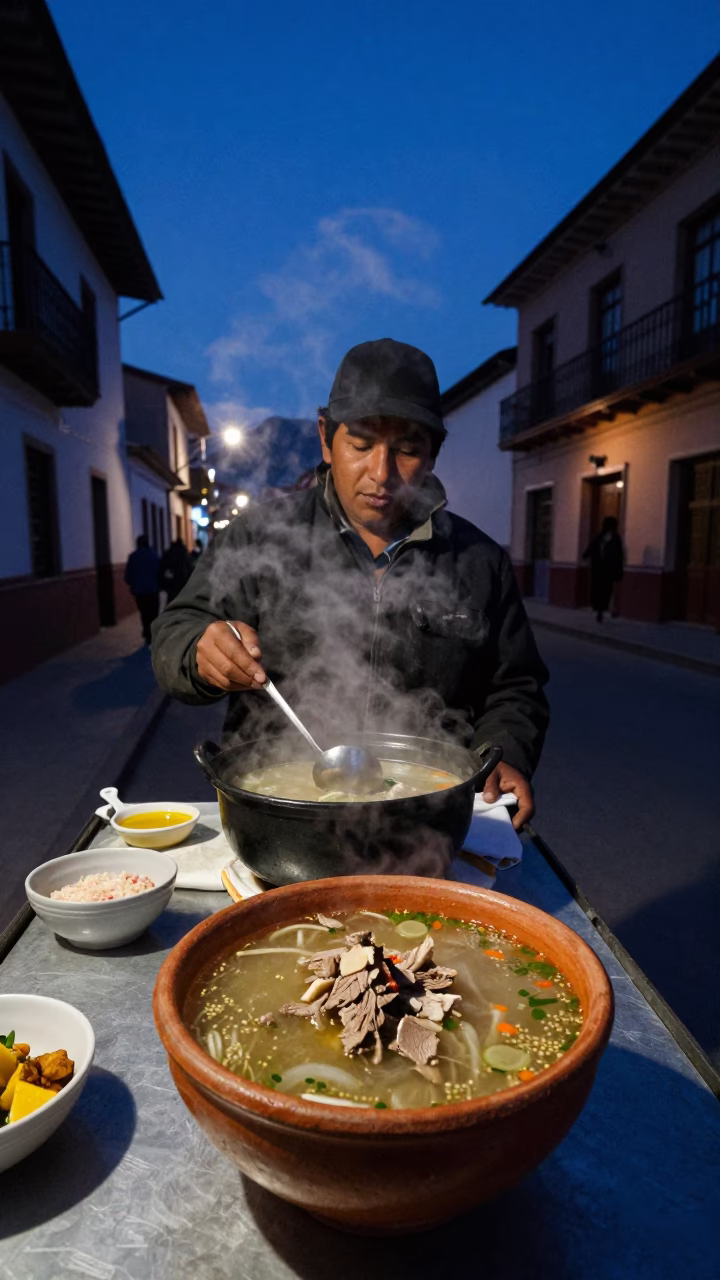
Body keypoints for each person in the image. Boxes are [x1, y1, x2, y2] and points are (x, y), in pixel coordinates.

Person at [151, 339, 549, 829]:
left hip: (423, 815)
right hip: (278, 814)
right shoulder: (259, 535)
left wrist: (504, 753)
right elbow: (177, 629)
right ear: (326, 438)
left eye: (407, 450)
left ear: (433, 454)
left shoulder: (479, 560)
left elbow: (517, 687)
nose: (381, 474)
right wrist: (198, 650)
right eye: (360, 445)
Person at [583, 516, 624, 623]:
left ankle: (607, 609)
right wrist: (586, 555)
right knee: (598, 591)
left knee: (607, 591)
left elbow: (619, 555)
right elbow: (591, 548)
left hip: (609, 570)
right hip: (598, 569)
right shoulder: (599, 537)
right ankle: (599, 611)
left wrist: (619, 570)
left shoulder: (616, 538)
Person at [124, 534, 160, 645]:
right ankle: (152, 632)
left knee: (144, 612)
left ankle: (146, 631)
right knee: (153, 612)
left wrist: (132, 584)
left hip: (140, 590)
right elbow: (160, 572)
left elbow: (128, 575)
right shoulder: (155, 556)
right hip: (153, 589)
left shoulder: (133, 557)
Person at [159, 537, 192, 602]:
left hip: (172, 582)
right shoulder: (184, 554)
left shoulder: (169, 554)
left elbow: (163, 568)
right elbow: (189, 568)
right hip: (182, 581)